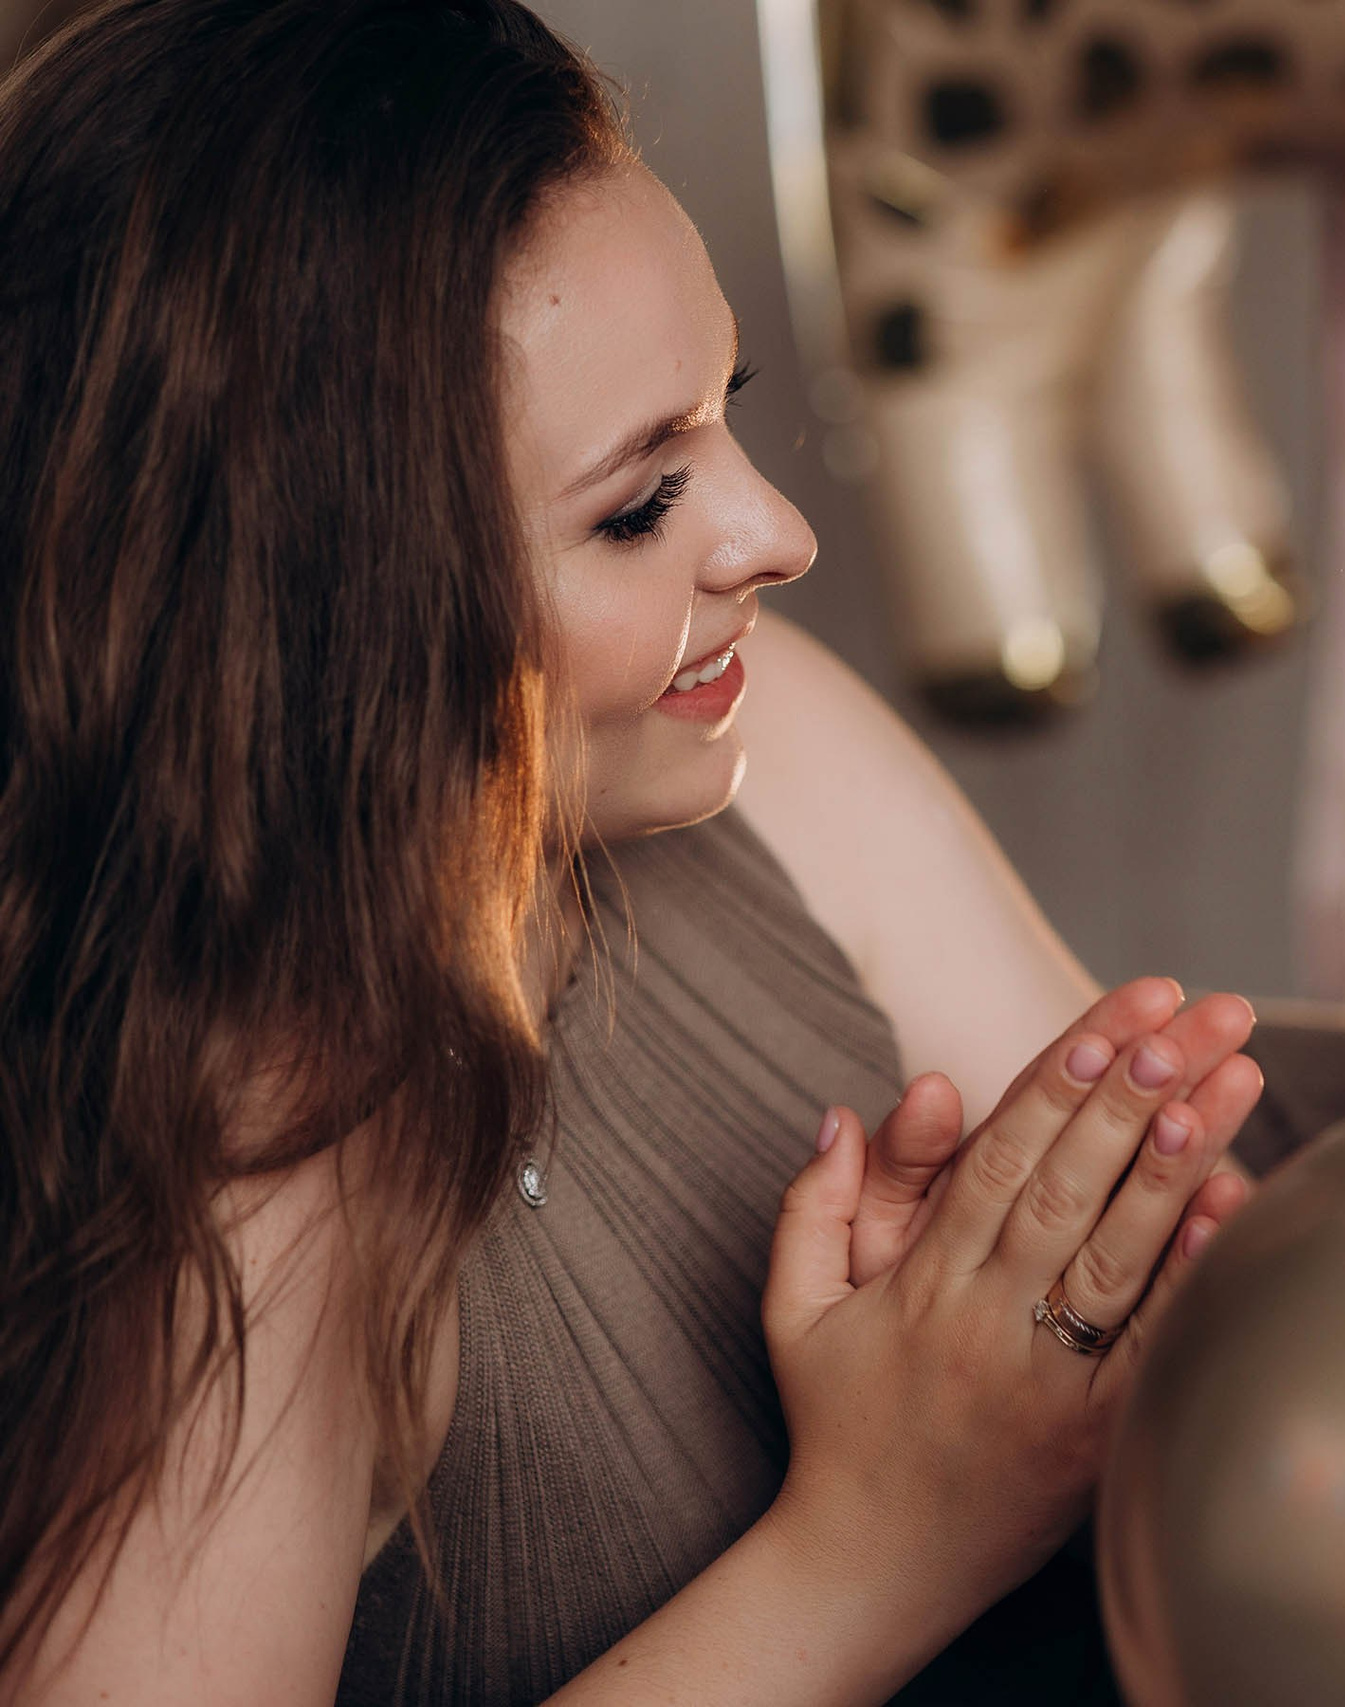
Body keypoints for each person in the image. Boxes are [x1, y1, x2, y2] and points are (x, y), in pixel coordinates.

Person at [0, 2, 1264, 1701]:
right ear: (308, 616)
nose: (780, 535)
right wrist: (888, 1537)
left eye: (722, 411)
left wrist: (1050, 1317)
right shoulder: (249, 1178)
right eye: (637, 506)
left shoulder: (757, 735)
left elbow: (1213, 1280)